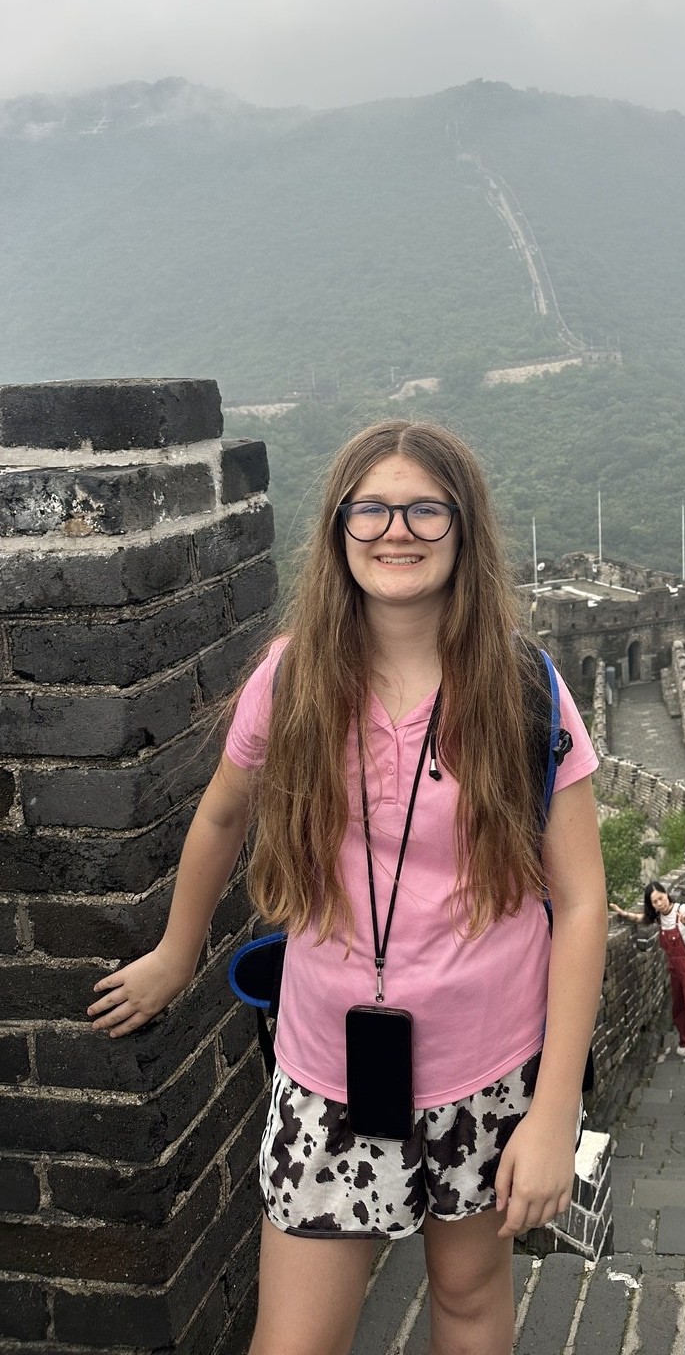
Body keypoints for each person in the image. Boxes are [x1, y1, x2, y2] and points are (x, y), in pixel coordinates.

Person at [86, 420, 606, 1355]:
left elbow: (579, 901)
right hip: (328, 1063)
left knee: (468, 1299)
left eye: (424, 510)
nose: (395, 530)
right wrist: (174, 952)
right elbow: (222, 815)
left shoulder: (523, 689)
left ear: (463, 528)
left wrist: (554, 1108)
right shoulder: (294, 680)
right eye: (371, 509)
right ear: (338, 529)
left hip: (488, 1064)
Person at [608, 881, 685, 1056]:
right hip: (674, 966)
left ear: (666, 894)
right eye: (655, 902)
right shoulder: (659, 917)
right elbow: (640, 918)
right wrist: (623, 913)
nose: (660, 903)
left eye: (661, 898)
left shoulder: (681, 910)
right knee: (679, 1006)